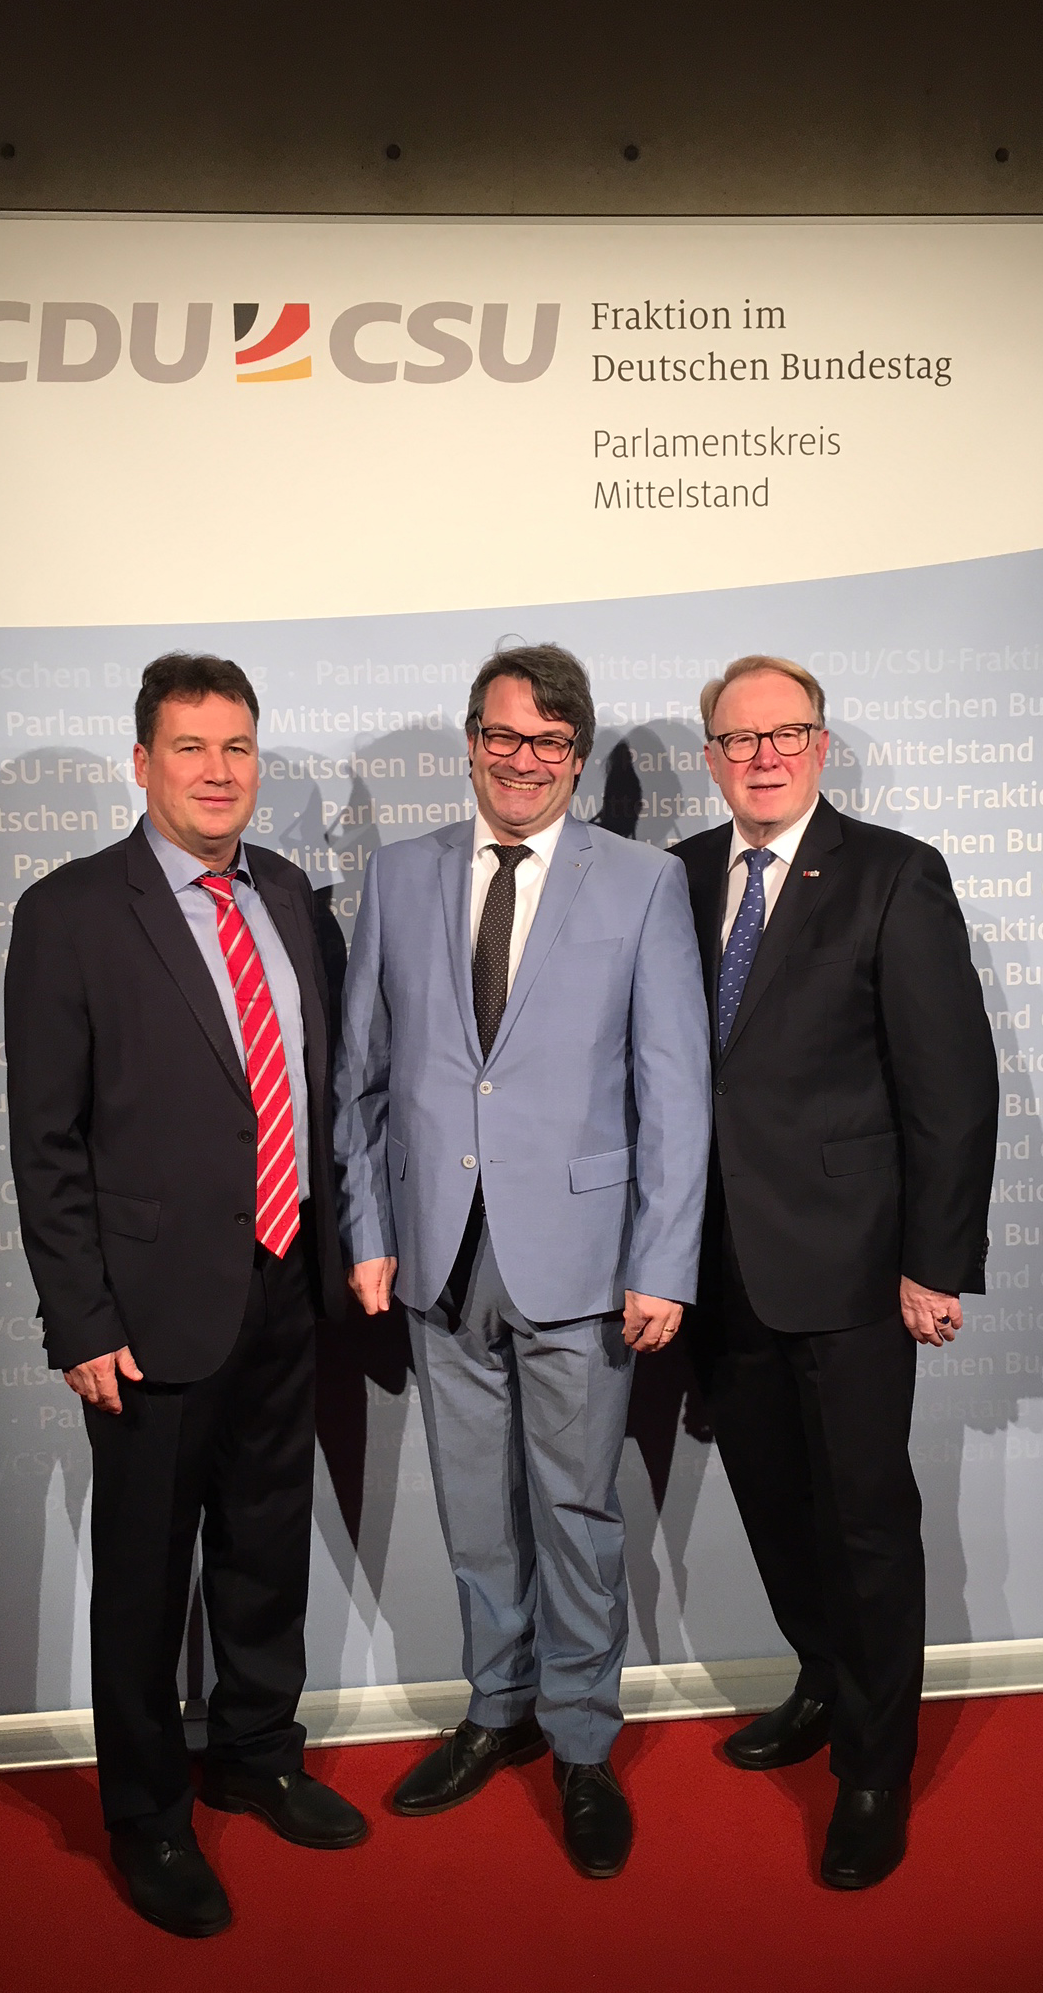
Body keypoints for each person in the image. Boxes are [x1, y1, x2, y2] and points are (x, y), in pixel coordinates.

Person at [6, 653, 366, 1940]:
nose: (219, 772)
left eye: (238, 747)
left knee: (266, 1542)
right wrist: (81, 1319)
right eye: (191, 747)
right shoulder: (70, 913)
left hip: (284, 1281)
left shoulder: (291, 898)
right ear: (143, 762)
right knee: (146, 1578)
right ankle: (147, 1815)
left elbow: (322, 1093)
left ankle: (257, 1752)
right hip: (148, 1312)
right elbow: (46, 1142)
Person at [335, 644, 710, 1880]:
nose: (523, 760)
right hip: (440, 1255)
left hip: (587, 1261)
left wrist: (663, 1260)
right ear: (472, 742)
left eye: (549, 742)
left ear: (577, 756)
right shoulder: (400, 874)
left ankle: (583, 1740)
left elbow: (675, 1090)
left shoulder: (643, 884)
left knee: (577, 1511)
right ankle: (496, 1708)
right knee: (475, 1510)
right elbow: (361, 1078)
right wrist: (371, 1232)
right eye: (502, 735)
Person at [670, 654, 997, 1891]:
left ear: (819, 744)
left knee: (865, 1519)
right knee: (773, 1499)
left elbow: (951, 1086)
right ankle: (822, 1676)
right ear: (711, 755)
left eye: (785, 732)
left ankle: (874, 1766)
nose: (762, 756)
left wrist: (933, 1263)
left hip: (855, 1267)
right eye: (738, 738)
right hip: (717, 1265)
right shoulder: (676, 876)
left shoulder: (894, 873)